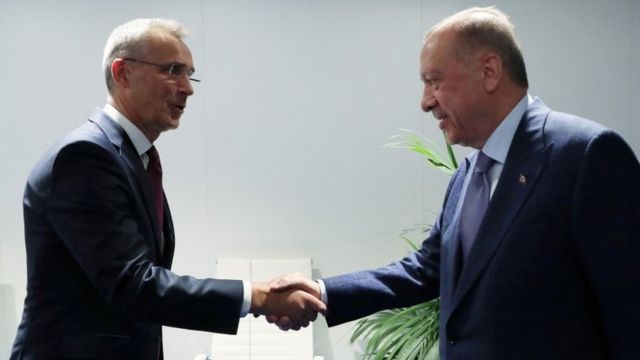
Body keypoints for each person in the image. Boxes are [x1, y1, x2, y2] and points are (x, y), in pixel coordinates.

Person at [272, 6, 640, 359]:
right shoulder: (467, 174)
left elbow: (629, 306)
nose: (425, 102)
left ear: (490, 71)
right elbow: (426, 270)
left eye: (434, 81)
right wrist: (322, 292)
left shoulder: (585, 154)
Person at [11, 18, 324, 360]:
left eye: (190, 74)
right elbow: (133, 285)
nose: (188, 88)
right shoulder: (84, 157)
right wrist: (259, 296)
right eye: (173, 70)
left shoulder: (135, 158)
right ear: (122, 72)